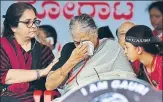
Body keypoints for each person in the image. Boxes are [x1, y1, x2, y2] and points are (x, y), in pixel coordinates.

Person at [45, 14, 136, 101]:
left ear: (95, 33)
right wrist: (71, 61)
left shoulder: (112, 47)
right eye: (77, 42)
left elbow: (129, 79)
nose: (82, 46)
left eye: (85, 42)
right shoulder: (69, 49)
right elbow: (49, 85)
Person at [0, 3, 59, 102]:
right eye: (27, 22)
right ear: (13, 27)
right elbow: (5, 76)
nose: (34, 26)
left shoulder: (44, 50)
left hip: (40, 96)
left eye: (35, 21)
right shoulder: (2, 47)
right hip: (8, 97)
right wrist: (42, 72)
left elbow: (54, 77)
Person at [124, 25, 162, 90]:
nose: (125, 52)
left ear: (139, 50)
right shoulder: (141, 67)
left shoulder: (161, 65)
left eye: (127, 47)